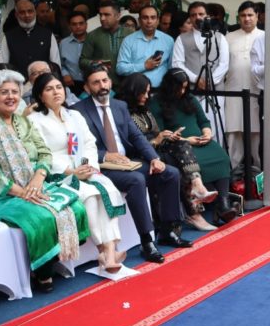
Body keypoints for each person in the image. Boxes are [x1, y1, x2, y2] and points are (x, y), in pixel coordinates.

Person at [0, 70, 90, 292]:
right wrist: (23, 192)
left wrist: (38, 179)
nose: (11, 97)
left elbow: (44, 153)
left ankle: (52, 257)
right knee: (39, 216)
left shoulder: (23, 122)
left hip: (34, 184)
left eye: (15, 92)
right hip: (1, 194)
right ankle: (42, 271)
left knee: (75, 205)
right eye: (4, 92)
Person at [73, 66, 190, 260]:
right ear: (86, 88)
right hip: (101, 167)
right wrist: (105, 156)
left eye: (104, 81)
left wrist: (154, 158)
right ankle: (147, 241)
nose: (102, 86)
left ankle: (169, 231)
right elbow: (80, 146)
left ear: (110, 83)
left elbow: (136, 137)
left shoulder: (119, 106)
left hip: (128, 162)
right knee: (136, 180)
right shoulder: (78, 111)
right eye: (96, 82)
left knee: (170, 173)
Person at [28, 73, 129, 274]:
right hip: (57, 174)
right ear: (40, 96)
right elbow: (40, 153)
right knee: (90, 196)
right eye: (49, 89)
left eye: (58, 87)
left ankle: (108, 254)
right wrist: (71, 171)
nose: (56, 92)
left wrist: (88, 166)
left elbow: (89, 143)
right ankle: (105, 250)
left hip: (83, 167)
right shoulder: (34, 120)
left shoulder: (73, 115)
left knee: (107, 188)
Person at [118, 74, 225, 232]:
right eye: (143, 93)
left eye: (148, 92)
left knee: (181, 145)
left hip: (157, 148)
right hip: (140, 154)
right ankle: (193, 212)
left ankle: (197, 186)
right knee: (175, 165)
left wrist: (168, 136)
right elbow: (132, 144)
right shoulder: (123, 112)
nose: (146, 96)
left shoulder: (144, 109)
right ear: (134, 92)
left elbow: (157, 133)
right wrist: (158, 139)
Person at [158, 70, 239, 226]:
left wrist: (207, 133)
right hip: (180, 145)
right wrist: (187, 140)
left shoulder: (189, 99)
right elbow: (163, 133)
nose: (182, 92)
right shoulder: (158, 103)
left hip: (201, 140)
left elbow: (204, 121)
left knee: (221, 157)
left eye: (185, 88)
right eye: (179, 88)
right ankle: (217, 205)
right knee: (200, 160)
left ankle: (223, 204)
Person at [169, 1, 230, 139]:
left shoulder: (220, 37)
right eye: (193, 15)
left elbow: (224, 64)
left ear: (207, 16)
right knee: (194, 126)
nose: (198, 17)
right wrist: (197, 80)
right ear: (189, 18)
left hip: (216, 90)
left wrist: (210, 81)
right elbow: (177, 64)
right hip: (192, 91)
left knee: (216, 126)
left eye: (201, 14)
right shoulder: (181, 39)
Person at [224, 1, 264, 179]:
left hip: (257, 91)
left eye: (250, 15)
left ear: (257, 16)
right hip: (232, 89)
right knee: (233, 130)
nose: (247, 19)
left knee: (256, 131)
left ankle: (258, 170)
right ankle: (233, 170)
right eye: (243, 15)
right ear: (238, 18)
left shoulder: (265, 36)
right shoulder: (228, 37)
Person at [115, 5, 174, 88]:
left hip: (161, 91)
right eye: (145, 18)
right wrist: (144, 66)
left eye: (153, 18)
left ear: (158, 21)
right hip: (135, 91)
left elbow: (171, 67)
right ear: (139, 20)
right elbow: (120, 69)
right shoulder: (128, 40)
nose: (149, 21)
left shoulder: (168, 40)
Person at [0, 0, 61, 72]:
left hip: (42, 82)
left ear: (35, 12)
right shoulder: (8, 37)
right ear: (16, 15)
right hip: (17, 82)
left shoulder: (48, 35)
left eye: (30, 11)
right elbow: (3, 66)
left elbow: (56, 64)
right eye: (22, 12)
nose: (27, 15)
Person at [79, 0, 127, 84]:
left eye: (107, 15)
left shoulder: (129, 34)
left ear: (118, 16)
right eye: (100, 15)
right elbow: (82, 61)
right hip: (102, 84)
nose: (102, 18)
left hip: (126, 84)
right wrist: (95, 63)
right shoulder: (92, 35)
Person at [58, 11, 88, 91]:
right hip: (72, 84)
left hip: (92, 82)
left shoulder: (93, 40)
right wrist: (65, 74)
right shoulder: (63, 43)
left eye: (81, 23)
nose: (78, 26)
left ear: (86, 24)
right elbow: (60, 64)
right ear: (69, 26)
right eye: (74, 24)